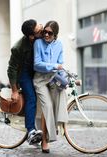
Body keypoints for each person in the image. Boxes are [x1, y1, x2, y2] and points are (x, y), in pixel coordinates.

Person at [33, 21, 69, 153]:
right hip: (40, 80)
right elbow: (36, 64)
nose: (46, 35)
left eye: (50, 33)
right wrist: (53, 66)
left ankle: (57, 127)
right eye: (45, 32)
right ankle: (45, 140)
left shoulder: (59, 45)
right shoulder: (38, 43)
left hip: (53, 79)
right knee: (47, 106)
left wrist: (64, 80)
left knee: (60, 97)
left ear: (55, 35)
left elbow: (60, 64)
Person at [7, 19, 43, 145]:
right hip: (24, 74)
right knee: (31, 98)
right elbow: (11, 68)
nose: (41, 27)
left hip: (38, 71)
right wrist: (14, 90)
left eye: (39, 24)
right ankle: (31, 131)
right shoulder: (18, 48)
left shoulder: (43, 36)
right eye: (38, 29)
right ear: (32, 36)